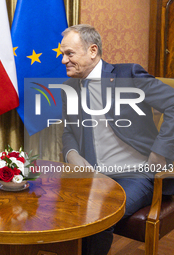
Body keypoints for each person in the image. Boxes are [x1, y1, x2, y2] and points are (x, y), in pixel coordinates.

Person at [60, 24, 174, 254]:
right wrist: (72, 154)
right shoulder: (69, 88)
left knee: (98, 214)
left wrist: (160, 151)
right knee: (55, 207)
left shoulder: (128, 75)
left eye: (69, 53)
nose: (64, 60)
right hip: (94, 175)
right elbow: (68, 131)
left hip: (136, 174)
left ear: (92, 51)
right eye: (63, 54)